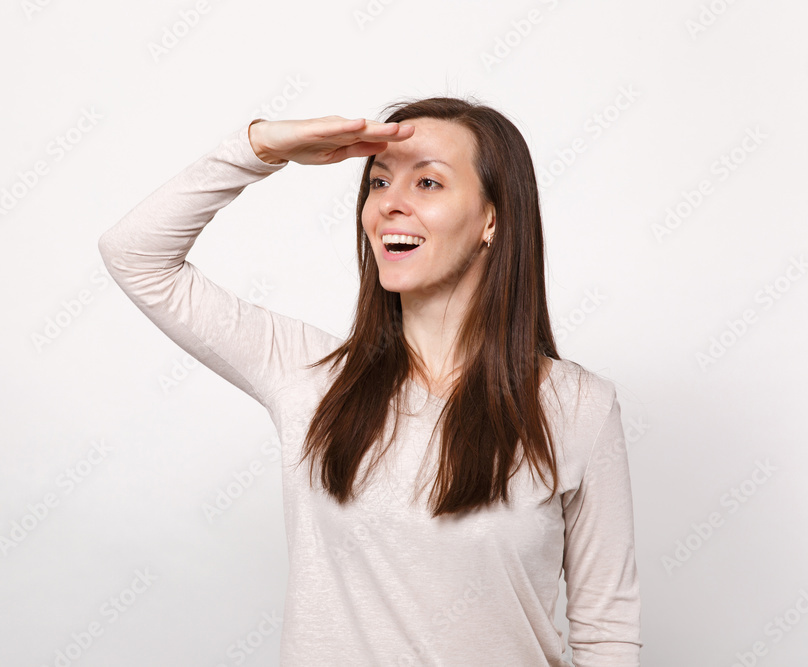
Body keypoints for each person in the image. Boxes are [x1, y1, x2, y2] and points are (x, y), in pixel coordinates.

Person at [98, 96, 642, 666]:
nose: (389, 203)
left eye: (427, 183)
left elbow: (606, 635)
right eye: (379, 182)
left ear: (492, 219)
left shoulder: (579, 406)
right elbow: (134, 254)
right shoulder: (309, 375)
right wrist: (260, 147)